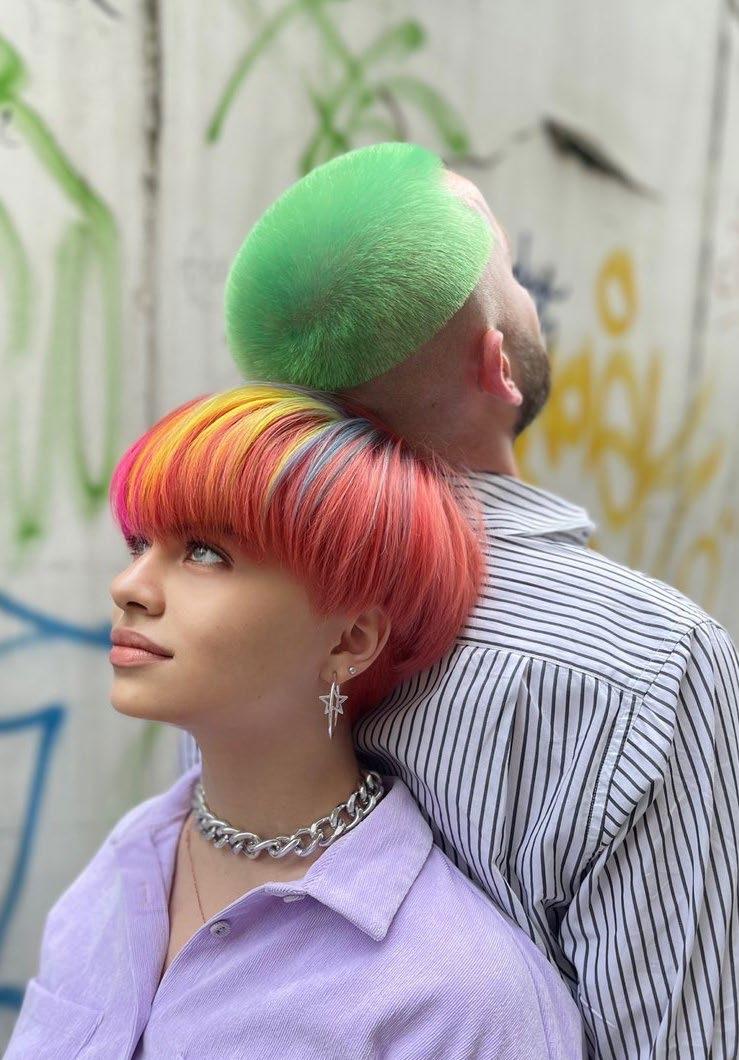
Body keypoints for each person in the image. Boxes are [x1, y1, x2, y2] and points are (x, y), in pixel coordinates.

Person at [178, 140, 739, 1058]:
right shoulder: (654, 662)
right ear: (497, 364)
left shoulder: (223, 618)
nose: (526, 294)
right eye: (511, 273)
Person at [6, 383, 586, 1058]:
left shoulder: (461, 999)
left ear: (349, 642)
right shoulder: (126, 864)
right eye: (139, 544)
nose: (128, 586)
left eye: (204, 552)